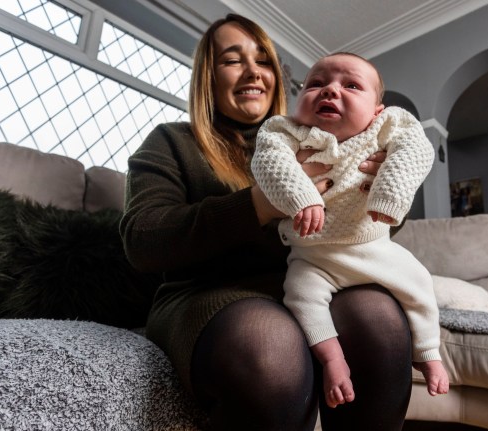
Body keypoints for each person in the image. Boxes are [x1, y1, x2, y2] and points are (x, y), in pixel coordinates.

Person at [120, 14, 415, 431]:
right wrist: (259, 203)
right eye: (232, 60)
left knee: (378, 317)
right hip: (205, 294)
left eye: (263, 60)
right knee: (269, 349)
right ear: (208, 76)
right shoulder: (172, 141)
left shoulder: (325, 136)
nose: (253, 71)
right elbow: (143, 240)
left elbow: (374, 232)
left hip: (308, 282)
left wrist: (378, 188)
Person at [251, 52, 449, 408]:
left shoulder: (389, 125)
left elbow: (415, 150)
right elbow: (270, 162)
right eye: (316, 84)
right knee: (300, 295)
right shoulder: (283, 131)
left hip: (372, 246)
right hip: (312, 256)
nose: (329, 91)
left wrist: (389, 194)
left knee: (419, 283)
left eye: (351, 85)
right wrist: (301, 196)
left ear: (377, 109)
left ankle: (428, 350)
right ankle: (332, 359)